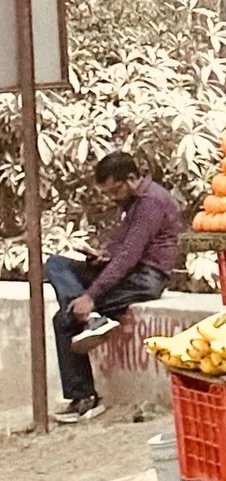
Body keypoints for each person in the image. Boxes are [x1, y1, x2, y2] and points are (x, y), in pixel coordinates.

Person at [45, 152, 181, 423]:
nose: (112, 197)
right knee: (57, 264)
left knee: (64, 319)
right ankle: (92, 318)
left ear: (131, 178)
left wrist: (91, 295)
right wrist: (101, 260)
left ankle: (85, 398)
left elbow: (130, 257)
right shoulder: (132, 203)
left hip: (145, 277)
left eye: (114, 190)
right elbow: (122, 251)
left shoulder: (150, 202)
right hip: (129, 271)